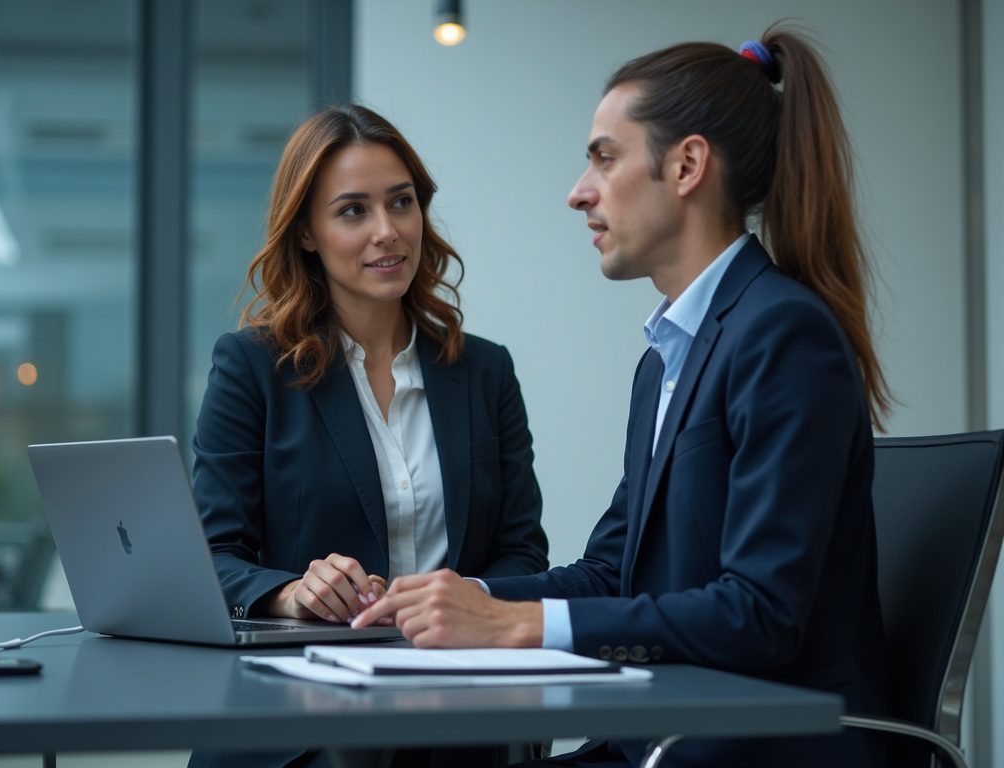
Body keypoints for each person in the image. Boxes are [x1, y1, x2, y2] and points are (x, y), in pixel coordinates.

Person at [354, 25, 892, 768]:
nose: (579, 192)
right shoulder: (668, 357)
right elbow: (614, 570)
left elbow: (760, 616)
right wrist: (455, 594)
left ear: (687, 165)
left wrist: (519, 624)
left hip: (762, 746)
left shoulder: (783, 336)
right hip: (670, 731)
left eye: (604, 158)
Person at [188, 105, 548, 768]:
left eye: (401, 203)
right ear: (306, 233)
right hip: (302, 727)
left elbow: (522, 552)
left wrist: (466, 607)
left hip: (463, 718)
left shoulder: (484, 371)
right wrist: (289, 592)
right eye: (353, 211)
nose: (387, 232)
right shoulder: (253, 367)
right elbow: (209, 556)